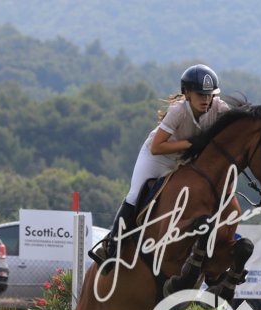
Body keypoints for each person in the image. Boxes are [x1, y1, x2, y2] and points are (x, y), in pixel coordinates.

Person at [89, 64, 231, 265]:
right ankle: (112, 246)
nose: (206, 100)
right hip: (158, 157)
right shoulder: (178, 111)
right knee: (135, 195)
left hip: (186, 161)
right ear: (187, 93)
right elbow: (157, 147)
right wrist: (191, 144)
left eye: (210, 95)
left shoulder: (219, 108)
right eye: (201, 94)